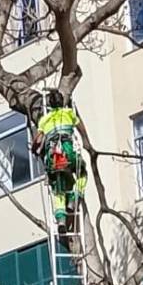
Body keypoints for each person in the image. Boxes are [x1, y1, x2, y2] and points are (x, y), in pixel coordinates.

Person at [32, 90, 86, 228]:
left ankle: (61, 220)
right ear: (62, 102)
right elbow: (81, 129)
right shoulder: (69, 114)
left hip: (55, 157)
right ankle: (74, 198)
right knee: (82, 172)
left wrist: (35, 150)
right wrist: (87, 143)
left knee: (58, 188)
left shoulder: (44, 120)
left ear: (49, 104)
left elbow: (37, 140)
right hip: (69, 154)